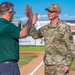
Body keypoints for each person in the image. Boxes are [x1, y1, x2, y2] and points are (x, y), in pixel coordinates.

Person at [30, 4, 75, 75]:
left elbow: (71, 48)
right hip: (48, 65)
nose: (48, 13)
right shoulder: (45, 28)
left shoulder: (64, 28)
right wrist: (32, 24)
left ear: (57, 13)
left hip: (60, 65)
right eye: (48, 11)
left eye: (51, 11)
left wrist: (67, 64)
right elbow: (35, 35)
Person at [0, 2, 37, 75]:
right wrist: (30, 18)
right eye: (13, 12)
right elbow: (23, 33)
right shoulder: (7, 25)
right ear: (9, 12)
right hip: (8, 67)